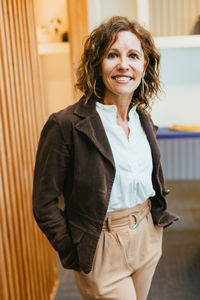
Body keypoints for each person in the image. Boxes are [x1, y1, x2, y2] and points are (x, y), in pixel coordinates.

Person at [32, 16, 179, 300]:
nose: (124, 64)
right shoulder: (66, 125)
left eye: (133, 56)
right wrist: (73, 251)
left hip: (147, 238)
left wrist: (154, 228)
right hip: (101, 246)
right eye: (113, 55)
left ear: (144, 66)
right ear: (98, 64)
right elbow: (44, 202)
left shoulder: (142, 120)